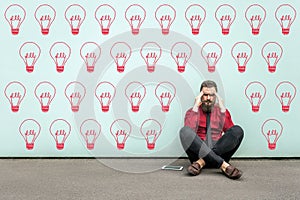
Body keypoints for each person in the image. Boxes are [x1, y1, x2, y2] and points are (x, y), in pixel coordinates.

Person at [179, 80, 244, 179]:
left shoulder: (221, 111)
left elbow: (231, 134)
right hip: (198, 153)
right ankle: (223, 165)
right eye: (205, 95)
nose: (208, 98)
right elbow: (189, 132)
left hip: (218, 153)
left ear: (216, 97)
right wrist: (196, 107)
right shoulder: (192, 111)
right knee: (184, 131)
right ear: (200, 96)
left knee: (237, 130)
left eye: (212, 95)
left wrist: (223, 111)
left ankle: (201, 163)